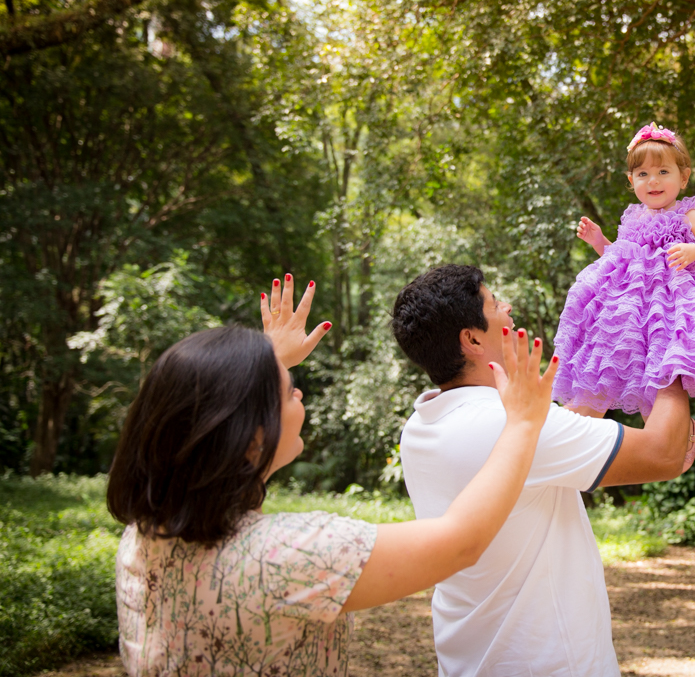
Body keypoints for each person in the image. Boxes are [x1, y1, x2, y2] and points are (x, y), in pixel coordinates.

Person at [106, 274, 557, 677]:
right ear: (250, 440)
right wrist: (521, 423)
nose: (297, 390)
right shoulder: (289, 556)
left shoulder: (141, 539)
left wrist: (262, 364)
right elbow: (462, 542)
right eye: (285, 391)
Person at [392, 264, 695, 676]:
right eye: (495, 303)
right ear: (472, 339)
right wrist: (672, 338)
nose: (507, 307)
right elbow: (662, 453)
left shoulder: (422, 424)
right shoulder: (507, 425)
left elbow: (564, 429)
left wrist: (614, 339)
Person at [554, 122, 695, 451]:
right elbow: (619, 258)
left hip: (669, 309)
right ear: (631, 181)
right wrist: (598, 240)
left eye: (663, 171)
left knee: (661, 375)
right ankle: (577, 435)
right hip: (631, 311)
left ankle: (679, 438)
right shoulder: (633, 218)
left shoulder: (689, 215)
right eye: (643, 174)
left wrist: (693, 251)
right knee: (613, 366)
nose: (654, 181)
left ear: (683, 177)